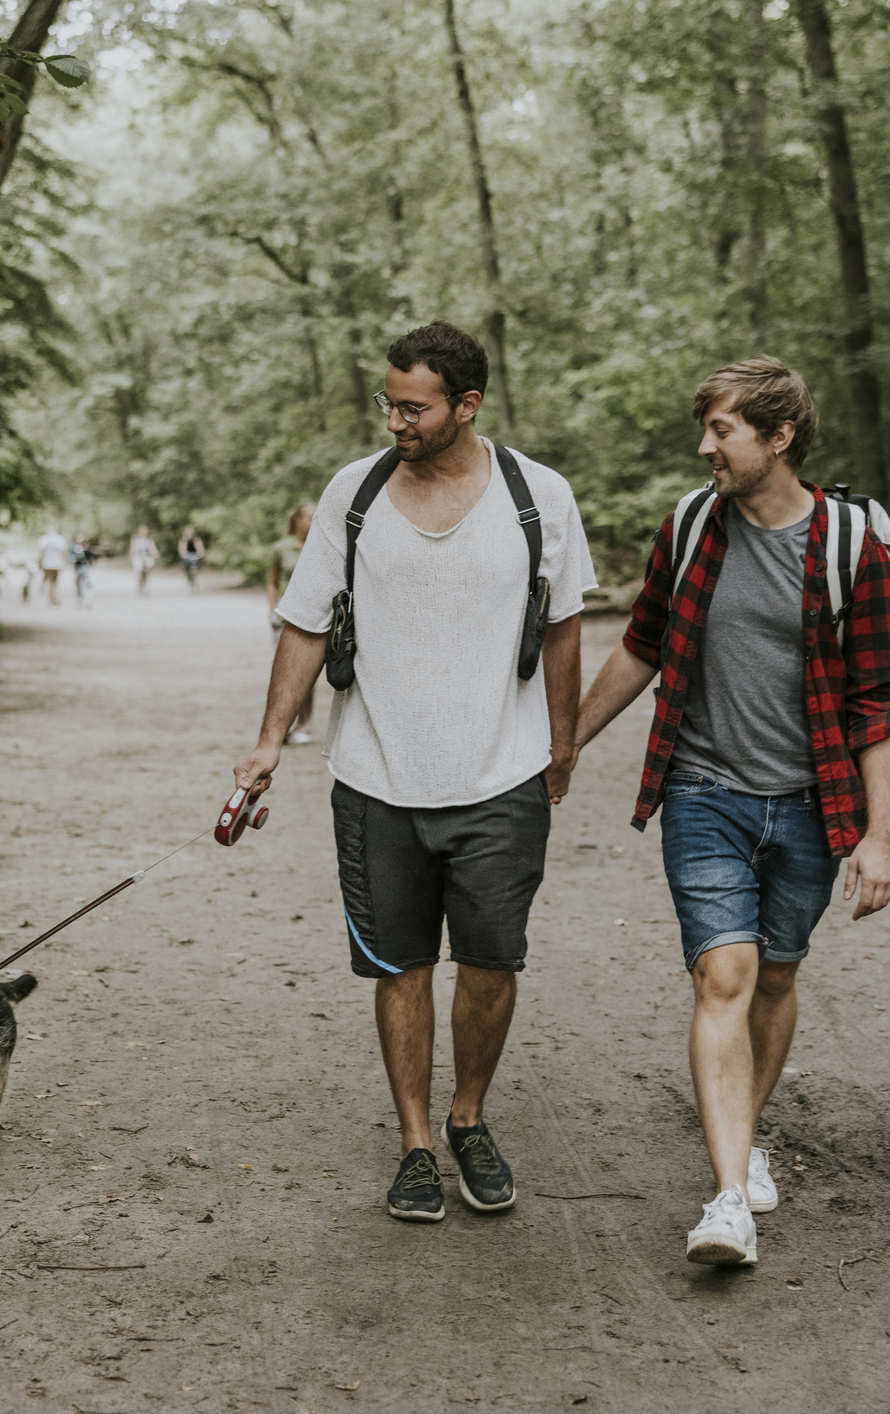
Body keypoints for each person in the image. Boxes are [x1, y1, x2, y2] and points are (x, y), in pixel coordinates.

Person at [233, 322, 596, 1223]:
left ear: (466, 406)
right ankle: (416, 1143)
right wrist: (271, 741)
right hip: (375, 779)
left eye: (414, 407)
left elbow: (563, 626)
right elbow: (306, 625)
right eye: (388, 402)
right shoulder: (352, 496)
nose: (396, 420)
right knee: (399, 967)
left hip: (501, 777)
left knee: (489, 962)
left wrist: (563, 743)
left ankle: (468, 1118)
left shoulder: (537, 497)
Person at [572, 356, 890, 1267]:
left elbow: (877, 700)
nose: (704, 446)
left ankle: (746, 1134)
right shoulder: (690, 527)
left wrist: (879, 837)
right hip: (703, 791)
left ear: (779, 436)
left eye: (722, 429)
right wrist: (566, 743)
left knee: (776, 978)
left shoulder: (851, 549)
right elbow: (643, 644)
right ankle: (728, 1201)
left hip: (809, 803)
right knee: (723, 975)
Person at [266, 500, 317, 746]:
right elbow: (272, 582)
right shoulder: (281, 548)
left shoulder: (322, 545)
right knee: (284, 672)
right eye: (310, 517)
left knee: (307, 674)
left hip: (314, 617)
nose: (313, 522)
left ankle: (303, 725)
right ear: (297, 520)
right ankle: (281, 727)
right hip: (285, 617)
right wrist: (272, 611)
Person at [37, 526, 69, 607]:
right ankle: (54, 599)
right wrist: (65, 563)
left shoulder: (44, 539)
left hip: (47, 564)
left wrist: (40, 563)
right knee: (54, 582)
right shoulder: (60, 539)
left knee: (51, 581)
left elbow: (42, 552)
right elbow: (63, 552)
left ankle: (52, 599)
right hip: (57, 564)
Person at [71, 532, 98, 608]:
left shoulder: (88, 550)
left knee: (87, 585)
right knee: (80, 585)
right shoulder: (74, 548)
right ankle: (80, 600)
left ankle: (88, 600)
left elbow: (93, 559)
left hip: (86, 568)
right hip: (79, 569)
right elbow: (73, 560)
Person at [130, 525, 159, 595]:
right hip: (138, 556)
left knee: (147, 568)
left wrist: (155, 553)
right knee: (139, 569)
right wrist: (132, 554)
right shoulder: (135, 539)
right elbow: (133, 548)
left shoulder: (149, 539)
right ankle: (138, 584)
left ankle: (146, 584)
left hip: (147, 556)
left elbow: (152, 548)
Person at [177, 524, 205, 592]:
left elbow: (200, 548)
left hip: (195, 554)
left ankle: (195, 580)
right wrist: (182, 553)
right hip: (187, 555)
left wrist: (201, 552)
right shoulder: (183, 540)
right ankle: (188, 579)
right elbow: (181, 549)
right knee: (187, 567)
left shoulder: (196, 539)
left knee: (195, 566)